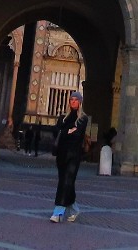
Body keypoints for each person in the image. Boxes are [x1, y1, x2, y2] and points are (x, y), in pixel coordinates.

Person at [49, 90, 89, 223]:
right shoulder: (63, 118)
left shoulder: (83, 118)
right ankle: (75, 209)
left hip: (73, 156)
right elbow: (56, 132)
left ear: (80, 102)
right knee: (67, 183)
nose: (73, 102)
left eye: (76, 100)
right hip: (61, 155)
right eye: (71, 99)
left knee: (65, 182)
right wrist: (67, 131)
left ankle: (58, 212)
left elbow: (76, 136)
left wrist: (63, 132)